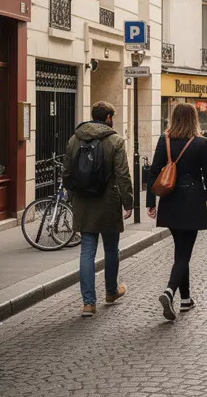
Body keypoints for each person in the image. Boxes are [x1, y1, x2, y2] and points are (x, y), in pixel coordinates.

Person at [145, 102, 207, 321]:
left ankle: (186, 300)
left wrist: (151, 202)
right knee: (183, 254)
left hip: (170, 201)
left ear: (174, 118)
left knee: (181, 251)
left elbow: (153, 172)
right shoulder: (200, 143)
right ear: (194, 119)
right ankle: (169, 291)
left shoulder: (165, 139)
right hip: (192, 201)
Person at [63, 101, 134, 318]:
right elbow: (122, 175)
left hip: (84, 203)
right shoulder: (115, 141)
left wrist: (74, 198)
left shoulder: (74, 139)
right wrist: (128, 202)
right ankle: (111, 292)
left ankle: (88, 303)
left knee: (87, 251)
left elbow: (67, 173)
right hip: (108, 202)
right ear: (108, 118)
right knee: (111, 248)